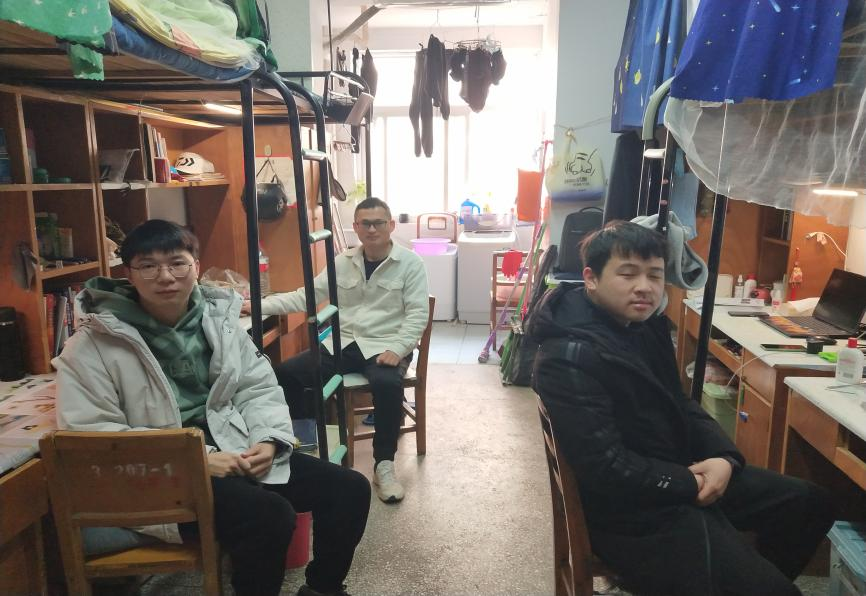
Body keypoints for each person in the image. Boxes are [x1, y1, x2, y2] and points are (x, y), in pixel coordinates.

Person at [54, 219, 370, 596]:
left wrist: (269, 440)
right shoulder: (91, 345)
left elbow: (257, 388)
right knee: (269, 517)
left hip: (233, 450)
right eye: (148, 266)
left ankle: (322, 589)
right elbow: (92, 435)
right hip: (158, 476)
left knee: (349, 488)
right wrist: (199, 460)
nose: (165, 276)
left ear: (196, 267)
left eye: (177, 263)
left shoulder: (218, 322)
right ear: (129, 274)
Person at [527, 221, 836, 596]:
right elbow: (606, 467)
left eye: (655, 275)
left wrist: (724, 458)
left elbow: (679, 402)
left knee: (811, 503)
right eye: (628, 274)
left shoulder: (642, 326)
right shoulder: (567, 356)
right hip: (629, 512)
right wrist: (689, 483)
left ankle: (744, 579)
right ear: (591, 278)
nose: (645, 286)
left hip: (673, 473)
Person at [244, 197, 428, 504]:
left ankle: (383, 465)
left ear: (391, 225)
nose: (372, 229)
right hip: (343, 344)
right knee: (284, 374)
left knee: (387, 384)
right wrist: (258, 305)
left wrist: (398, 349)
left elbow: (418, 315)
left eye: (378, 223)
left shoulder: (410, 264)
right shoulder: (343, 262)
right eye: (365, 223)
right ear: (356, 226)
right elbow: (305, 296)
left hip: (385, 345)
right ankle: (304, 444)